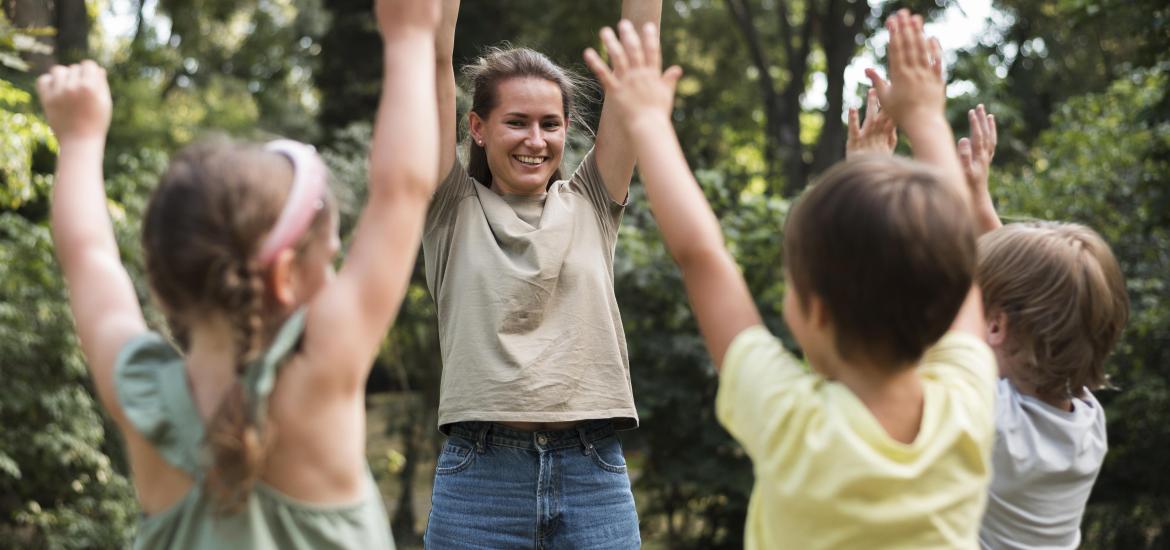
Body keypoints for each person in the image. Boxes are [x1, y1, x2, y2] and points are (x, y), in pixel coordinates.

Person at [584, 10, 997, 548]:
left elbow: (704, 256)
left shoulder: (793, 423)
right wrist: (924, 117)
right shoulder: (966, 404)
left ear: (817, 311)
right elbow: (954, 254)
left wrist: (647, 121)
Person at [35, 0, 439, 547]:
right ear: (284, 277)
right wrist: (410, 33)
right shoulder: (322, 371)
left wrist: (79, 140)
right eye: (331, 248)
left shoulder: (141, 394)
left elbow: (88, 259)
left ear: (163, 276)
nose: (342, 254)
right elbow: (401, 190)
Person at [420, 1, 660, 547]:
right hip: (481, 479)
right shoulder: (450, 206)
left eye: (550, 124)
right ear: (477, 127)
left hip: (592, 470)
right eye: (517, 122)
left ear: (567, 128)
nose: (536, 139)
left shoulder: (593, 202)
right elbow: (433, 61)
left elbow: (636, 70)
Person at [950, 107, 1130, 550]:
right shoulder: (1086, 422)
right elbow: (1034, 290)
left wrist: (870, 166)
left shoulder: (992, 419)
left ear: (996, 326)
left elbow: (953, 311)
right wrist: (977, 197)